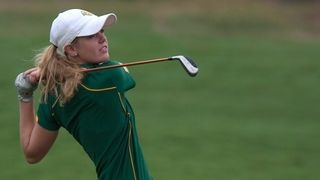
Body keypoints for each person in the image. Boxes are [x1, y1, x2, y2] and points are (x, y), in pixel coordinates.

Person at [15, 9, 153, 180]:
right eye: (91, 35)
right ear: (71, 49)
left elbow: (32, 153)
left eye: (101, 31)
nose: (102, 38)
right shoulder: (110, 78)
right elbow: (124, 71)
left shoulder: (54, 95)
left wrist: (25, 94)